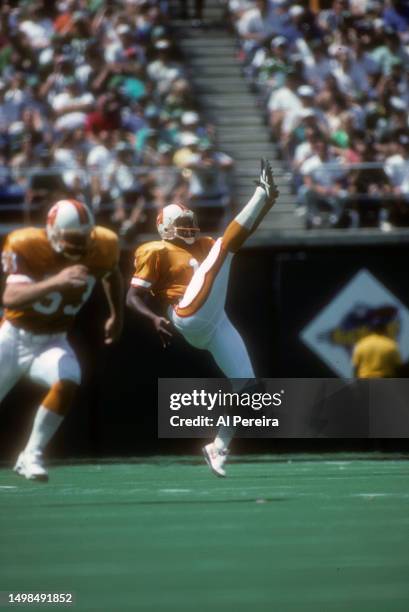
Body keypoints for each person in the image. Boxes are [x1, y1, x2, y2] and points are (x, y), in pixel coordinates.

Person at [127, 159, 279, 477]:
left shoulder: (201, 245)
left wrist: (265, 208)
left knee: (249, 388)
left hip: (215, 321)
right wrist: (153, 319)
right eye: (181, 222)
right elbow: (133, 297)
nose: (188, 227)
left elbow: (240, 237)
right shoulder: (155, 250)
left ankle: (218, 446)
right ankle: (259, 194)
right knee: (224, 246)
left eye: (189, 221)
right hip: (187, 312)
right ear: (165, 227)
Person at [0, 199, 123, 481]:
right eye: (72, 238)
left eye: (84, 237)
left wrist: (117, 315)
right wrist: (57, 282)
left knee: (69, 379)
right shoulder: (27, 244)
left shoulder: (103, 244)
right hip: (12, 336)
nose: (80, 245)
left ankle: (31, 455)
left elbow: (111, 273)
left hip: (52, 340)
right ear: (53, 232)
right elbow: (10, 298)